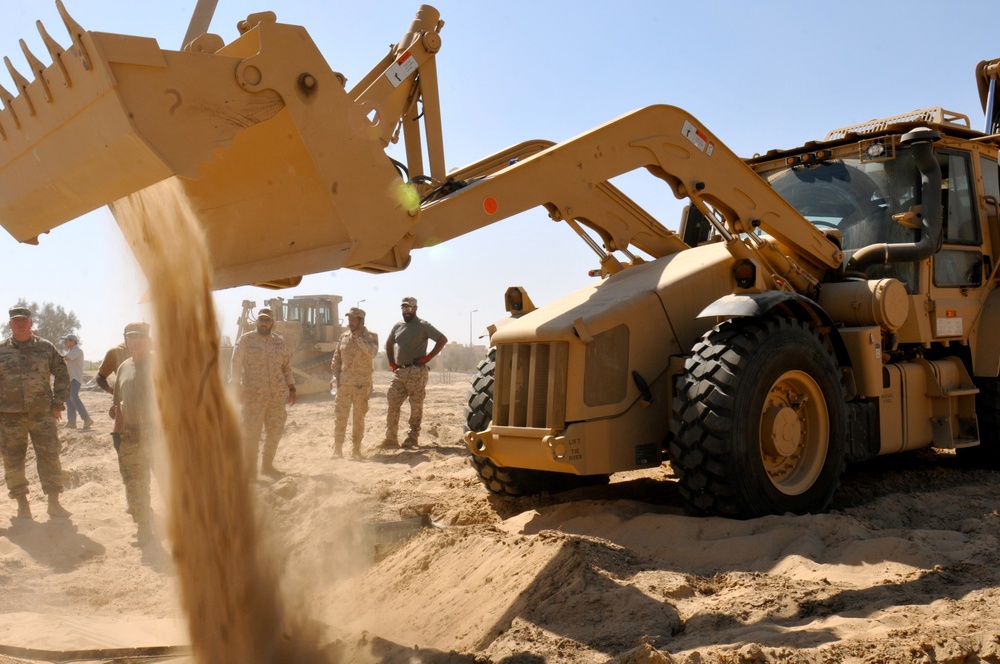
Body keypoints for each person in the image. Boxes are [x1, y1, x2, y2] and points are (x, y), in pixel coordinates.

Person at [0, 306, 71, 519]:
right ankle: (22, 503)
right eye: (16, 321)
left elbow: (62, 374)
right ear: (10, 324)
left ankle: (53, 503)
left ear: (31, 323)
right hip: (9, 416)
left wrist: (58, 402)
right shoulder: (1, 350)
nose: (20, 323)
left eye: (24, 320)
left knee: (49, 456)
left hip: (42, 414)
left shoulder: (46, 348)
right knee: (13, 460)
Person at [229, 307, 296, 478]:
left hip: (276, 397)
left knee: (275, 431)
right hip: (253, 396)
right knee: (251, 433)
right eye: (261, 320)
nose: (263, 323)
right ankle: (250, 471)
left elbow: (286, 367)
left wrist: (292, 388)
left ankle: (267, 466)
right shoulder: (246, 340)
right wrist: (236, 387)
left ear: (272, 323)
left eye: (267, 320)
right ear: (257, 321)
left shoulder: (280, 343)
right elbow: (235, 365)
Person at [111, 322, 157, 544]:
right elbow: (120, 404)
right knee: (135, 484)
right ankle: (144, 529)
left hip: (159, 435)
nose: (135, 341)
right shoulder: (123, 368)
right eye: (131, 337)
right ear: (126, 341)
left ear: (148, 340)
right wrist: (116, 434)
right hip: (130, 435)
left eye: (140, 336)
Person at [382, 297, 447, 449]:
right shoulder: (398, 326)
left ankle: (412, 437)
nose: (407, 311)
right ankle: (390, 438)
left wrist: (428, 357)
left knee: (416, 405)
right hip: (400, 372)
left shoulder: (423, 326)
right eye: (404, 308)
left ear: (416, 308)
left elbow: (442, 339)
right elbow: (389, 343)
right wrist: (392, 363)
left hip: (417, 371)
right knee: (392, 402)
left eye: (409, 308)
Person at [330, 307, 378, 459]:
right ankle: (337, 450)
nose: (349, 322)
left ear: (360, 321)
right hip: (344, 385)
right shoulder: (343, 336)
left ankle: (356, 450)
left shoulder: (370, 336)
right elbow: (337, 358)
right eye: (349, 319)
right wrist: (335, 377)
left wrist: (359, 339)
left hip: (361, 385)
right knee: (340, 417)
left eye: (353, 319)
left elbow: (372, 353)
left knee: (358, 419)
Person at [61, 334, 94, 430]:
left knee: (73, 398)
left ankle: (86, 419)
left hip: (75, 379)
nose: (65, 342)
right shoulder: (71, 351)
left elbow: (65, 358)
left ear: (72, 341)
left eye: (66, 340)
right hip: (70, 379)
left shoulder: (77, 351)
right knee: (69, 400)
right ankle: (71, 422)